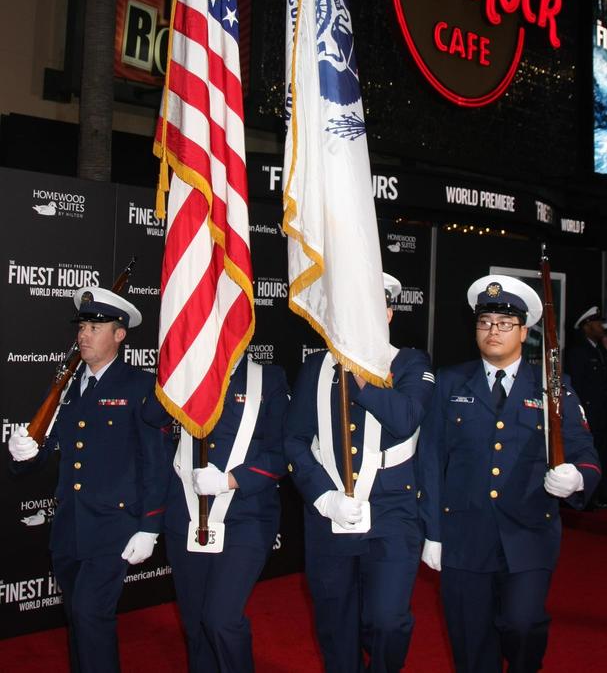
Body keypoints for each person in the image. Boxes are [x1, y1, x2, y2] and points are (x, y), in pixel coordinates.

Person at [418, 275, 600, 673]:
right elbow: (429, 459)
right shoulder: (449, 383)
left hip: (529, 533)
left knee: (522, 625)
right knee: (469, 637)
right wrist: (432, 531)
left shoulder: (553, 387)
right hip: (465, 535)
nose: (492, 331)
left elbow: (585, 451)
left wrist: (578, 478)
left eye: (504, 324)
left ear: (524, 331)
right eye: (485, 322)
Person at [7, 287, 169, 673]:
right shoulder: (68, 387)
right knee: (79, 621)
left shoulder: (140, 386)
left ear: (120, 334)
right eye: (82, 325)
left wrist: (150, 526)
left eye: (96, 326)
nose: (84, 334)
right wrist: (25, 454)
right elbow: (56, 449)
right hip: (69, 527)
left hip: (113, 526)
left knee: (91, 616)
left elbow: (156, 462)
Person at [284, 272, 435, 673]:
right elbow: (295, 440)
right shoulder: (315, 367)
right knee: (335, 624)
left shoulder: (410, 363)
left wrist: (362, 382)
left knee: (387, 620)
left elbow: (406, 418)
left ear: (387, 314)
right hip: (328, 514)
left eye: (369, 312)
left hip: (392, 510)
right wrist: (322, 496)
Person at [142, 353, 289, 673]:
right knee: (196, 627)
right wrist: (178, 371)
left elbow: (281, 453)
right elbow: (151, 415)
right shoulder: (186, 372)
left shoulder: (269, 379)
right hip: (187, 516)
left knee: (221, 619)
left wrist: (232, 480)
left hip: (246, 516)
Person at [565, 305, 607, 507]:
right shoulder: (578, 352)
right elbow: (577, 385)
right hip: (587, 414)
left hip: (603, 415)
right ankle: (589, 498)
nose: (601, 327)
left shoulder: (601, 351)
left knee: (602, 455)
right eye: (597, 323)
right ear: (586, 326)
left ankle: (601, 494)